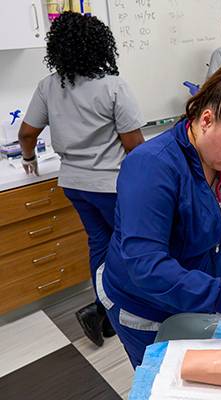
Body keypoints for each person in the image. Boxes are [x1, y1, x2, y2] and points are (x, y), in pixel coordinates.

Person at [97, 55, 221, 369]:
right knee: (163, 379)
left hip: (189, 296)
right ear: (206, 120)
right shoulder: (152, 166)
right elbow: (145, 264)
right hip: (143, 303)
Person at [18, 12, 145, 347]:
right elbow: (135, 146)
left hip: (74, 184)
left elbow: (27, 133)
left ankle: (104, 312)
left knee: (99, 244)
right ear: (101, 45)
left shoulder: (49, 85)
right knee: (128, 247)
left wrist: (29, 159)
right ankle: (111, 311)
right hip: (111, 186)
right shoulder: (113, 85)